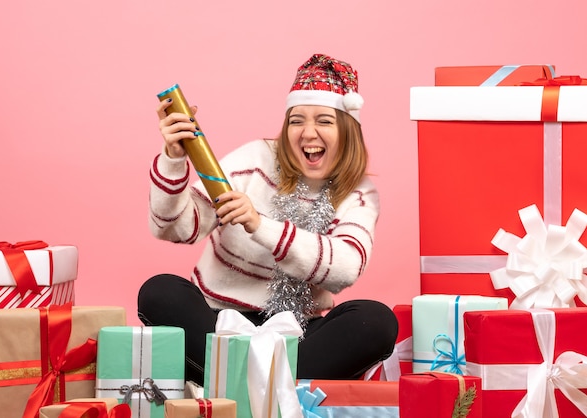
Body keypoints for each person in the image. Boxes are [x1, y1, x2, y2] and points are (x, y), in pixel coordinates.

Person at [138, 53, 398, 385]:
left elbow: (345, 268)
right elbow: (176, 229)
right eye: (297, 120)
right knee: (159, 291)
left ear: (347, 130)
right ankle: (272, 388)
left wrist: (260, 225)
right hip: (217, 324)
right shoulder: (255, 159)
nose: (307, 132)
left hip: (297, 333)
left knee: (376, 321)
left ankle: (230, 381)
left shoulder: (359, 193)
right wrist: (174, 159)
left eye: (324, 120)